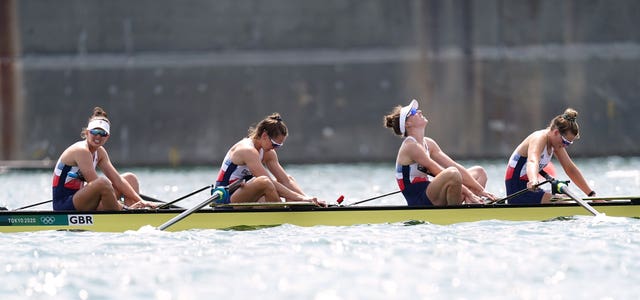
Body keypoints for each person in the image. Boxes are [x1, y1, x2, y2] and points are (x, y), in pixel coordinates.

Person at [383, 99, 496, 206]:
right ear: (407, 124)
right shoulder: (410, 146)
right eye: (413, 112)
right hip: (419, 200)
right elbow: (439, 171)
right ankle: (459, 212)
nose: (419, 111)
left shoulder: (429, 143)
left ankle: (473, 204)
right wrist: (470, 193)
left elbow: (453, 165)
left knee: (479, 172)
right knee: (453, 174)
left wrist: (481, 191)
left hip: (431, 193)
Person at [52, 107, 156, 211]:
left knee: (130, 179)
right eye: (94, 132)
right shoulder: (81, 150)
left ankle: (135, 214)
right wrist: (124, 208)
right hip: (65, 204)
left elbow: (117, 180)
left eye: (102, 133)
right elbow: (96, 184)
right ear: (87, 132)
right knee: (102, 182)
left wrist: (141, 201)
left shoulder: (100, 152)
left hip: (84, 200)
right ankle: (125, 211)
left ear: (107, 137)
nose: (98, 136)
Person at [214, 113, 325, 206]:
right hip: (225, 197)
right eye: (275, 144)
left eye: (279, 146)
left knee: (289, 179)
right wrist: (301, 198)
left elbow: (285, 180)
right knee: (265, 182)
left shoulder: (268, 153)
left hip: (245, 192)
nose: (275, 148)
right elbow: (267, 181)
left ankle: (299, 209)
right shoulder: (247, 150)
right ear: (264, 136)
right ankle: (281, 216)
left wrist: (308, 199)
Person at [504, 108, 596, 204]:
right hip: (517, 189)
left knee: (565, 197)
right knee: (562, 201)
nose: (565, 146)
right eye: (565, 142)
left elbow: (570, 169)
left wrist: (591, 195)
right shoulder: (539, 138)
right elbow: (532, 160)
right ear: (556, 132)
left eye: (569, 143)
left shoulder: (555, 143)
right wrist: (533, 180)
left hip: (530, 187)